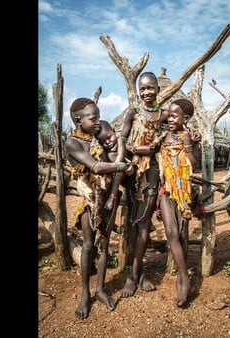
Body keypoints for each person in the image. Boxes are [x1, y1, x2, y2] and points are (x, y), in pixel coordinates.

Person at [119, 72, 200, 297]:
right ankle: (136, 274)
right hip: (137, 174)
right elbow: (121, 140)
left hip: (158, 176)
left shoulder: (165, 115)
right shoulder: (133, 113)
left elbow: (180, 129)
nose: (147, 92)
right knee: (138, 225)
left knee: (156, 226)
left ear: (157, 88)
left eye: (150, 88)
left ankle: (139, 275)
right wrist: (137, 149)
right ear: (138, 90)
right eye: (142, 88)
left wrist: (193, 137)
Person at [64, 98, 131, 320]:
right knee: (88, 244)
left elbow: (115, 149)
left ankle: (100, 289)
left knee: (104, 243)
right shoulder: (73, 143)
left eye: (97, 116)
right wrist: (121, 165)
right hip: (89, 200)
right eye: (93, 118)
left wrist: (113, 191)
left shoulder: (95, 138)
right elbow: (96, 167)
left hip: (106, 198)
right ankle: (85, 293)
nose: (97, 121)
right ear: (78, 120)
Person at [155, 98, 197, 307]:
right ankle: (185, 276)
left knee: (182, 234)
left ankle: (182, 280)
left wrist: (188, 143)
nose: (169, 119)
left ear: (185, 118)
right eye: (168, 115)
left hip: (184, 192)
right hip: (166, 190)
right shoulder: (163, 136)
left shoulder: (188, 136)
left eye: (174, 116)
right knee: (171, 232)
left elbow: (194, 164)